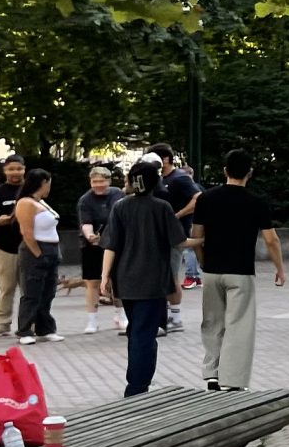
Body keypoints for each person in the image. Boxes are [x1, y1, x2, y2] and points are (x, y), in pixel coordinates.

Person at [188, 148, 285, 390]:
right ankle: (232, 380)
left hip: (212, 270)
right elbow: (271, 239)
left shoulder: (205, 199)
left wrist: (202, 260)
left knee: (212, 322)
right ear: (249, 173)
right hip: (241, 271)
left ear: (225, 171)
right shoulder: (256, 202)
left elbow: (196, 235)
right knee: (239, 325)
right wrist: (280, 269)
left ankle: (212, 373)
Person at [97, 162, 186, 396]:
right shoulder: (162, 207)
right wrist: (203, 241)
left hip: (125, 280)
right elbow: (179, 241)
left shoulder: (120, 207)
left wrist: (105, 276)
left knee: (136, 330)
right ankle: (137, 386)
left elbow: (111, 245)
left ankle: (137, 381)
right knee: (144, 335)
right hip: (153, 281)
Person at [13, 167, 64, 344]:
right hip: (35, 249)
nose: (49, 188)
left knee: (48, 291)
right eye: (48, 184)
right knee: (32, 291)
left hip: (51, 248)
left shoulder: (41, 202)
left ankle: (45, 328)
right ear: (43, 183)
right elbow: (26, 231)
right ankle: (25, 329)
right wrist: (37, 253)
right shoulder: (26, 203)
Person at [156, 146, 201, 327]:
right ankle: (168, 314)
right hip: (160, 233)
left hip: (175, 233)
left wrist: (178, 215)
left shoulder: (179, 177)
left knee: (172, 274)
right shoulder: (159, 179)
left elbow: (198, 197)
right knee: (164, 274)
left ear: (166, 159)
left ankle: (175, 318)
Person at [0, 153, 27, 336]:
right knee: (6, 288)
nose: (15, 172)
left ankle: (29, 325)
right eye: (11, 169)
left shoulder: (31, 190)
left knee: (29, 290)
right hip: (4, 248)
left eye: (19, 169)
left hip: (29, 247)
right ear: (5, 170)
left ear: (24, 169)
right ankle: (1, 325)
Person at [76, 164, 117, 334]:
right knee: (92, 282)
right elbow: (85, 223)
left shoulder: (118, 194)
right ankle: (92, 320)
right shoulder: (85, 200)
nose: (98, 185)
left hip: (114, 243)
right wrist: (90, 235)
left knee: (117, 280)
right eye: (95, 182)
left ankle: (120, 315)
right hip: (92, 246)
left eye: (102, 181)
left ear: (109, 181)